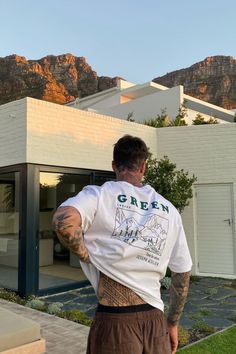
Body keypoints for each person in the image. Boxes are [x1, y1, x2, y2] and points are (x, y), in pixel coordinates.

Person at [52, 135, 192, 354]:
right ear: (143, 167)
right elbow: (182, 274)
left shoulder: (99, 195)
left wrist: (85, 255)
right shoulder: (169, 210)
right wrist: (172, 323)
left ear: (114, 166)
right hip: (156, 323)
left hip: (116, 323)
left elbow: (65, 222)